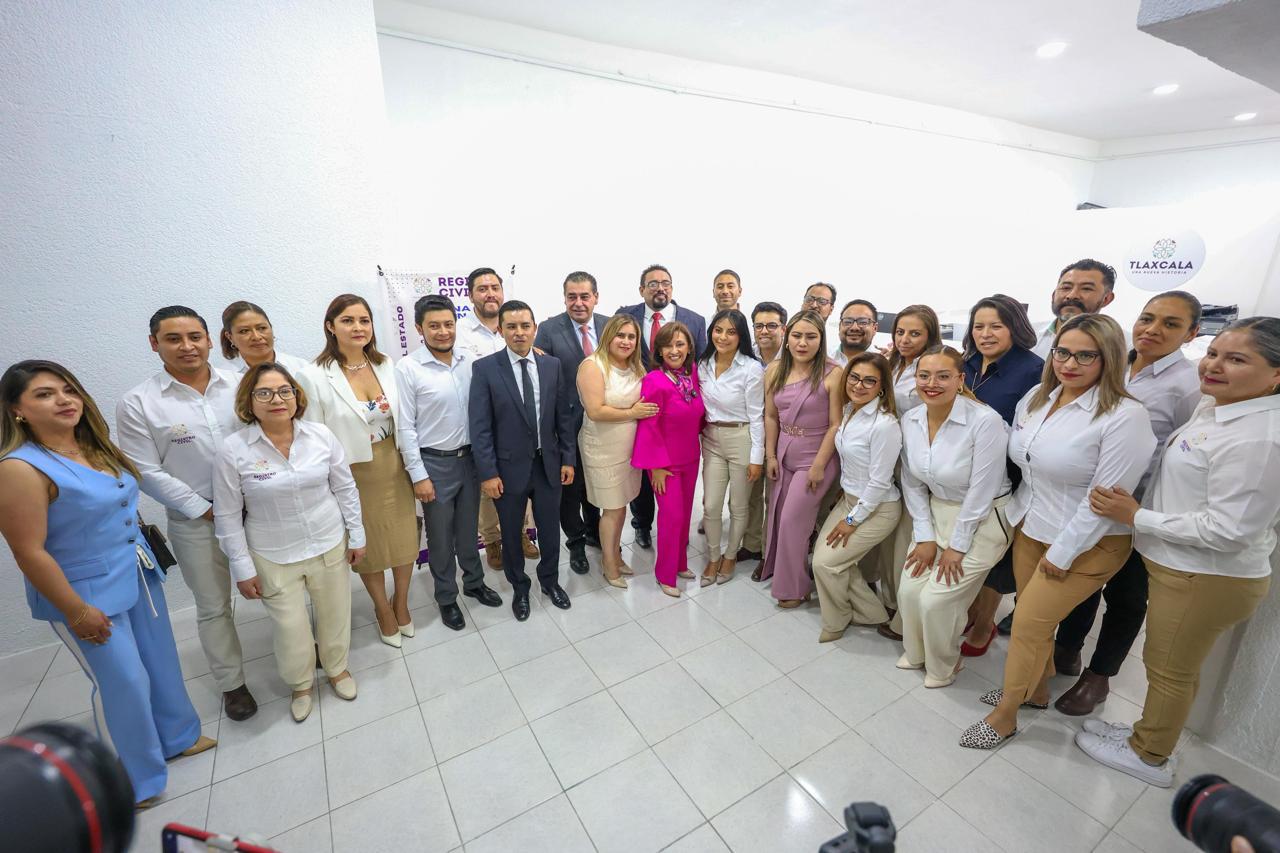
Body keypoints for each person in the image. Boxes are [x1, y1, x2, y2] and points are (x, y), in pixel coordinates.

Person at [1075, 317, 1280, 787]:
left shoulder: (1261, 438)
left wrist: (1136, 517)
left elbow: (1229, 530)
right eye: (1214, 353)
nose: (1214, 366)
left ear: (1275, 374)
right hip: (1183, 567)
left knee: (1169, 668)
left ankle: (1148, 755)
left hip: (1206, 575)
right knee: (1171, 664)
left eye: (1236, 359)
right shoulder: (1220, 408)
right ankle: (1148, 732)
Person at [0, 361, 213, 808]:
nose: (64, 400)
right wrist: (76, 611)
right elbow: (28, 552)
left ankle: (178, 737)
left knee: (160, 662)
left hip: (137, 572)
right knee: (123, 682)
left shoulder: (94, 446)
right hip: (83, 593)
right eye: (44, 394)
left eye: (68, 390)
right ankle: (127, 781)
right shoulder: (19, 468)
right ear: (17, 409)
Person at [960, 313, 1156, 750]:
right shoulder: (1037, 397)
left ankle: (1005, 715)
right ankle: (1035, 690)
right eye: (1063, 352)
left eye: (1086, 355)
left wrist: (1063, 552)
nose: (1070, 363)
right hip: (1032, 525)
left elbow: (1103, 502)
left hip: (1088, 542)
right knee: (1037, 623)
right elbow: (1022, 457)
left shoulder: (1125, 416)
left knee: (1027, 625)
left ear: (1109, 358)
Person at [1052, 291, 1204, 715]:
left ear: (1192, 333)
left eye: (1171, 324)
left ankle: (1099, 676)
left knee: (1127, 596)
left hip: (1140, 508)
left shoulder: (1187, 385)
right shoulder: (1111, 362)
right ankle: (1067, 649)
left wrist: (1143, 512)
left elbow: (1182, 451)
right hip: (1091, 498)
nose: (1152, 330)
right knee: (1082, 580)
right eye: (1147, 318)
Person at [116, 306, 257, 722]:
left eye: (195, 337)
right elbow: (145, 471)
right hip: (196, 519)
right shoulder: (139, 403)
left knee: (284, 585)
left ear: (210, 339)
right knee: (213, 605)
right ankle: (232, 685)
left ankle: (303, 651)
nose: (187, 346)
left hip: (259, 508)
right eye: (173, 339)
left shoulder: (242, 385)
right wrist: (208, 510)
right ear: (154, 343)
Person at [213, 363, 363, 722]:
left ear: (297, 397)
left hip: (328, 541)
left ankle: (337, 668)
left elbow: (345, 488)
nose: (276, 399)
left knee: (335, 614)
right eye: (264, 393)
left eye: (284, 391)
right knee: (290, 628)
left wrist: (357, 534)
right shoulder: (233, 450)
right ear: (249, 401)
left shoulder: (321, 436)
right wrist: (242, 568)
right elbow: (228, 515)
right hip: (273, 553)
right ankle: (301, 684)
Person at [296, 295, 418, 649]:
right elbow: (313, 436)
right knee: (369, 546)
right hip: (352, 473)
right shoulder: (313, 375)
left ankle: (401, 602)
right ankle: (382, 609)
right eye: (348, 321)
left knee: (405, 540)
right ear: (330, 327)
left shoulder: (385, 364)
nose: (358, 327)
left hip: (394, 464)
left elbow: (404, 419)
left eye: (364, 320)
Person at [896, 346, 1013, 689]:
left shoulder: (985, 421)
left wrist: (957, 546)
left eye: (943, 376)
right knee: (909, 591)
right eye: (924, 376)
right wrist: (925, 537)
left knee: (937, 600)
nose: (932, 383)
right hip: (935, 513)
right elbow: (912, 482)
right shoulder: (911, 419)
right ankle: (917, 653)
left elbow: (982, 491)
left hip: (984, 520)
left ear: (960, 379)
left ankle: (944, 665)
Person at [395, 294, 502, 633]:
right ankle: (446, 597)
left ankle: (474, 582)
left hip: (470, 460)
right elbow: (405, 427)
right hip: (435, 464)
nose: (443, 332)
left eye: (448, 324)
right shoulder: (408, 368)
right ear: (419, 329)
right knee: (440, 538)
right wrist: (418, 475)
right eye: (434, 326)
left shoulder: (470, 361)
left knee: (468, 530)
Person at [469, 300, 576, 621]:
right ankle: (520, 587)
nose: (519, 332)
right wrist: (488, 473)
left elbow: (563, 417)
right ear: (501, 330)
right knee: (512, 533)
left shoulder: (551, 365)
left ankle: (550, 581)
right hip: (507, 469)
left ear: (534, 329)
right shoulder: (485, 369)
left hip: (548, 465)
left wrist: (568, 458)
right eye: (511, 327)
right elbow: (480, 426)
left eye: (525, 326)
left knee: (550, 530)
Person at [958, 295, 1044, 657]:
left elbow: (1032, 431)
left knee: (996, 555)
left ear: (1015, 328)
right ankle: (969, 610)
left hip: (1008, 477)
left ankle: (984, 622)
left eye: (996, 326)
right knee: (968, 547)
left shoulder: (1034, 370)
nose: (986, 334)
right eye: (979, 326)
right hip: (964, 471)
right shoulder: (966, 362)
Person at [810, 353, 902, 641]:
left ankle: (836, 620)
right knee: (825, 561)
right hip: (849, 500)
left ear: (882, 387)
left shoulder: (884, 424)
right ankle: (872, 613)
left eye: (869, 381)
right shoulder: (849, 410)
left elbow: (879, 482)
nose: (859, 385)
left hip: (877, 509)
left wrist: (852, 520)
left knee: (825, 564)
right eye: (854, 377)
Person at [866, 303, 944, 637]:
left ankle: (904, 615)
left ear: (930, 335)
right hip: (888, 456)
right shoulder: (893, 363)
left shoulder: (932, 368)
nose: (905, 339)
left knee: (907, 539)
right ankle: (888, 599)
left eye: (914, 333)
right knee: (887, 536)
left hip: (915, 460)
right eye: (900, 332)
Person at [617, 264, 708, 550]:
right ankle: (642, 525)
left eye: (665, 282)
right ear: (641, 289)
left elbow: (700, 366)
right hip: (641, 408)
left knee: (678, 508)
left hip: (680, 423)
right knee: (645, 486)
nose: (660, 287)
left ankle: (675, 548)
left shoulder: (694, 320)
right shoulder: (625, 316)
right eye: (653, 283)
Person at [456, 267, 539, 565]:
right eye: (482, 289)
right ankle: (491, 540)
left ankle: (520, 533)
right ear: (470, 295)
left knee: (520, 480)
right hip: (480, 419)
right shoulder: (459, 332)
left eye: (495, 287)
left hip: (514, 421)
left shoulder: (516, 327)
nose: (490, 294)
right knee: (488, 486)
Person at [760, 310, 842, 607]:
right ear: (787, 336)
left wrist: (819, 465)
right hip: (783, 452)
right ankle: (785, 573)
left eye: (810, 337)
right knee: (778, 515)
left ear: (821, 340)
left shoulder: (833, 372)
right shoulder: (775, 370)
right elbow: (771, 416)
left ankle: (794, 587)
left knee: (793, 521)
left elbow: (836, 424)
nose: (802, 343)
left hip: (816, 457)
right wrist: (770, 455)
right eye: (796, 336)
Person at [533, 271, 607, 575]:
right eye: (572, 297)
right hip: (567, 424)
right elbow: (542, 378)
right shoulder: (549, 330)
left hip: (604, 423)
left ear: (595, 297)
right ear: (564, 299)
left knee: (597, 481)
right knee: (571, 488)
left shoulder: (609, 325)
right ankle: (576, 543)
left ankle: (596, 532)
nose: (578, 303)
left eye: (584, 296)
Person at [577, 315, 658, 587]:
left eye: (631, 337)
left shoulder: (636, 366)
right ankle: (609, 564)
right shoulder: (593, 366)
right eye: (620, 335)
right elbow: (595, 411)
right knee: (611, 510)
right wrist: (632, 412)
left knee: (622, 506)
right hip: (602, 449)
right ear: (608, 336)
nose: (626, 341)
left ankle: (615, 555)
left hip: (629, 450)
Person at [632, 321, 706, 597]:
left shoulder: (691, 373)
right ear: (659, 350)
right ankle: (665, 574)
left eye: (680, 344)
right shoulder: (654, 380)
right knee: (671, 517)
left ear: (689, 348)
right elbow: (648, 426)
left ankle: (680, 563)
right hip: (666, 464)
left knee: (685, 515)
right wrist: (657, 467)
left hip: (690, 457)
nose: (674, 350)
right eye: (668, 345)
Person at [697, 309, 764, 586]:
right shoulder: (703, 364)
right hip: (711, 438)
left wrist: (757, 458)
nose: (723, 337)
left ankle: (731, 556)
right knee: (711, 505)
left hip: (741, 438)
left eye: (731, 332)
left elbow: (758, 416)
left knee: (738, 505)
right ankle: (714, 556)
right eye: (718, 330)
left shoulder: (751, 368)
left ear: (741, 336)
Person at [741, 301, 788, 568]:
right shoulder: (747, 355)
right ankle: (752, 544)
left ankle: (770, 552)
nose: (764, 331)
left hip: (783, 435)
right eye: (758, 326)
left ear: (783, 328)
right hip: (752, 433)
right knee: (751, 492)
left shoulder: (793, 357)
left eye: (771, 325)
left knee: (775, 496)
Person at [1032, 259, 1123, 359]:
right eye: (1066, 287)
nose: (1072, 295)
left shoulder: (1124, 345)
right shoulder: (1028, 336)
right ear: (1053, 295)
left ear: (1106, 299)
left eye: (1086, 288)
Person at [219, 301, 310, 375]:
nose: (256, 337)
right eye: (244, 331)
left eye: (262, 328)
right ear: (230, 337)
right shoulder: (224, 376)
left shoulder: (301, 368)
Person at [832, 299, 879, 368]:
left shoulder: (885, 363)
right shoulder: (824, 357)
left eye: (863, 322)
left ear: (875, 328)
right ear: (839, 326)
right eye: (848, 322)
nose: (854, 328)